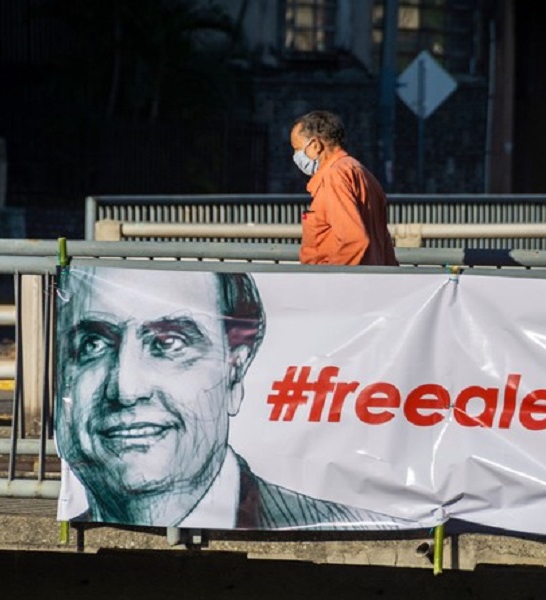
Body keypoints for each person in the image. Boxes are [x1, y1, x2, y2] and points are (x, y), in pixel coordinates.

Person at [55, 267, 406, 530]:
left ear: (235, 370)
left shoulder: (353, 530)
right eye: (93, 345)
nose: (126, 389)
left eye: (169, 343)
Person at [290, 110, 399, 266]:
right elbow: (384, 244)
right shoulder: (362, 173)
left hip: (338, 278)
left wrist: (330, 277)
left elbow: (353, 240)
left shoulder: (334, 176)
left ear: (315, 145)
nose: (295, 156)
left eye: (297, 149)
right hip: (372, 275)